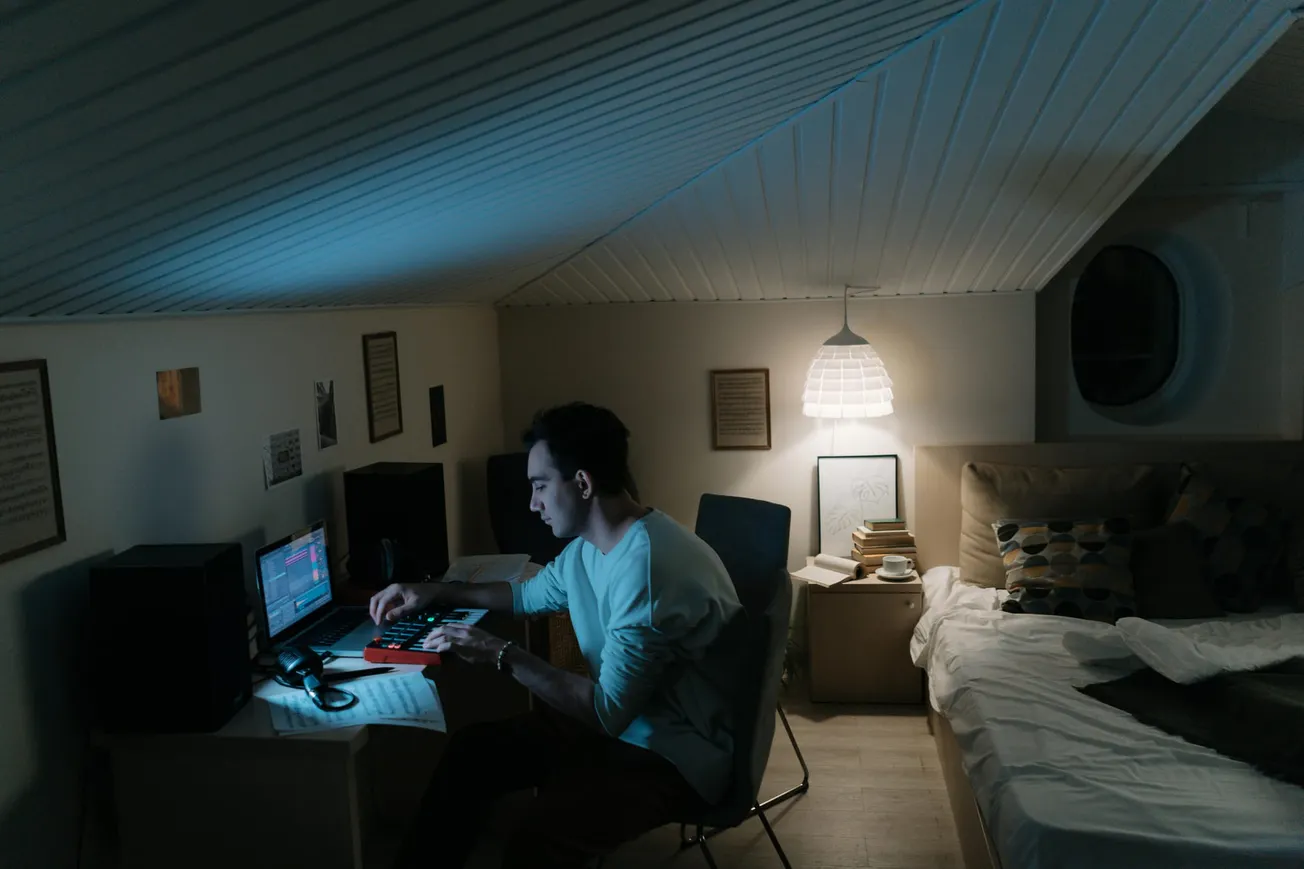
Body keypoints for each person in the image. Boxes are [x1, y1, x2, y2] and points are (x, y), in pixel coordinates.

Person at [373, 402, 744, 869]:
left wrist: (499, 652)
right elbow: (527, 595)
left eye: (540, 486)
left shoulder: (646, 569)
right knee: (473, 753)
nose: (533, 503)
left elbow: (607, 711)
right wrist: (434, 591)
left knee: (538, 840)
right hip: (635, 724)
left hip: (673, 756)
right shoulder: (593, 546)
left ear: (583, 484)